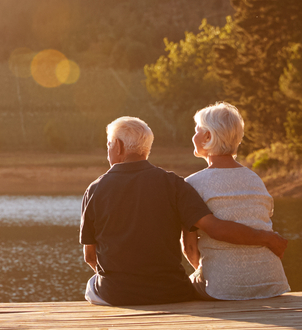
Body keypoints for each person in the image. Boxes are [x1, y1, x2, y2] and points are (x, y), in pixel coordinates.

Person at [80, 115, 287, 306]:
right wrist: (267, 238)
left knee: (91, 286)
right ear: (146, 149)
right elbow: (211, 228)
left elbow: (90, 256)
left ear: (117, 146)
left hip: (116, 294)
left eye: (108, 144)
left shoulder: (94, 190)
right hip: (171, 292)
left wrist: (122, 282)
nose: (108, 150)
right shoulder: (175, 184)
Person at [182, 102, 290, 300]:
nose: (193, 136)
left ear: (208, 136)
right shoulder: (255, 179)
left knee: (184, 286)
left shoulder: (192, 184)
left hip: (223, 289)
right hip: (271, 284)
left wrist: (210, 274)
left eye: (197, 130)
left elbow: (189, 249)